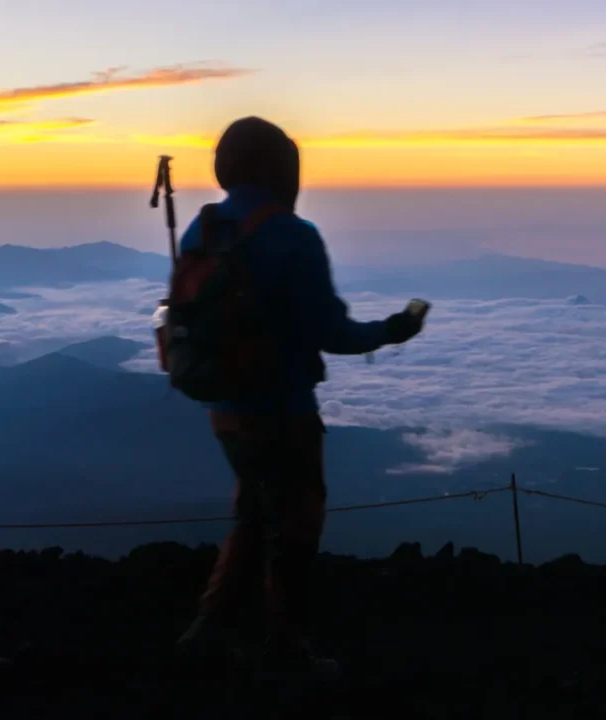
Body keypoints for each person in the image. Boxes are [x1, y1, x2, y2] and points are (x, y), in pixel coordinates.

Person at [173, 117, 427, 672]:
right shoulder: (293, 235)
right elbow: (330, 334)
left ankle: (209, 629)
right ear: (281, 168)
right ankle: (287, 647)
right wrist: (391, 330)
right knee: (295, 525)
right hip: (281, 410)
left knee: (253, 514)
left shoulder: (203, 230)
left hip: (223, 407)